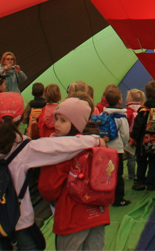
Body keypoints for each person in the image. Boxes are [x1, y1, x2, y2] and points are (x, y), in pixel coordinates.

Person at [0, 92, 101, 250]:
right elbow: (60, 147)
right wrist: (94, 139)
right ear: (22, 117)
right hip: (20, 218)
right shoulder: (25, 147)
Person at [38, 98, 110, 250]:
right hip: (97, 213)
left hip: (71, 216)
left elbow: (49, 188)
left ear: (76, 124)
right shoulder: (96, 146)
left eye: (63, 120)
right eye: (56, 119)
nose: (56, 124)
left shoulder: (61, 153)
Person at [130, 81, 155, 192]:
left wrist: (133, 138)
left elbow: (138, 125)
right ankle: (151, 183)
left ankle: (140, 182)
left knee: (141, 161)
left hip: (144, 141)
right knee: (154, 162)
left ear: (146, 94)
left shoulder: (143, 109)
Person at [101, 87, 132, 207]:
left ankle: (105, 194)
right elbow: (125, 134)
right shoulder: (120, 117)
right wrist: (124, 145)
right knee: (118, 175)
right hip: (117, 149)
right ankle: (118, 198)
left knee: (106, 172)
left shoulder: (103, 114)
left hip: (105, 148)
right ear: (120, 100)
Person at [124, 89, 144, 180]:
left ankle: (132, 175)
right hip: (141, 137)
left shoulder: (127, 112)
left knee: (131, 158)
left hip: (130, 137)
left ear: (130, 98)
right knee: (140, 158)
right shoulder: (143, 109)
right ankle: (141, 175)